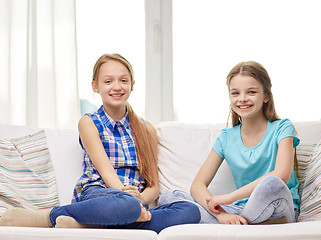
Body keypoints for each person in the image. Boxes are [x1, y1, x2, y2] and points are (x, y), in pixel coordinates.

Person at [0, 53, 200, 233]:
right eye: (108, 81)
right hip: (98, 193)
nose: (117, 86)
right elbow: (107, 173)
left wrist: (140, 200)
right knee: (126, 205)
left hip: (134, 203)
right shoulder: (89, 123)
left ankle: (90, 223)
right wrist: (129, 200)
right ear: (95, 86)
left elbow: (153, 187)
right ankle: (48, 217)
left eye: (123, 80)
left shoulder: (146, 128)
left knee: (190, 210)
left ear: (132, 84)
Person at [158, 60, 300, 225]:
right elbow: (197, 185)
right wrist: (222, 215)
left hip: (280, 206)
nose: (242, 99)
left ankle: (245, 222)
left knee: (271, 183)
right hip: (241, 210)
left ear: (266, 96)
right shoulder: (226, 137)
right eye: (235, 93)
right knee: (169, 197)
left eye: (251, 92)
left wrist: (228, 198)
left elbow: (281, 175)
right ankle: (242, 223)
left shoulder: (282, 127)